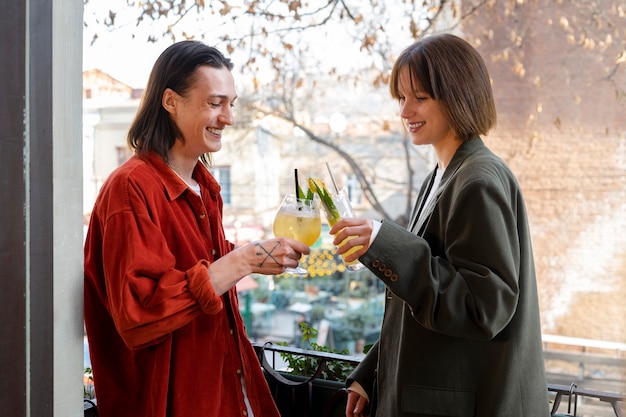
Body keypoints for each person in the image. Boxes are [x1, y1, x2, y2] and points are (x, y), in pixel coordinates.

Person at [84, 40, 309, 417]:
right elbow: (139, 313)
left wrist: (254, 258)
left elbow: (197, 269)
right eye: (215, 103)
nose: (229, 117)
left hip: (224, 394)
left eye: (231, 104)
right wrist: (242, 261)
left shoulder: (206, 188)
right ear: (171, 101)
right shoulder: (130, 188)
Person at [331, 33, 550, 417]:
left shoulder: (479, 181)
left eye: (420, 97)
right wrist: (372, 374)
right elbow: (417, 299)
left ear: (457, 96)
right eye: (401, 98)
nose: (405, 111)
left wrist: (386, 243)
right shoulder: (442, 176)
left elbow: (485, 308)